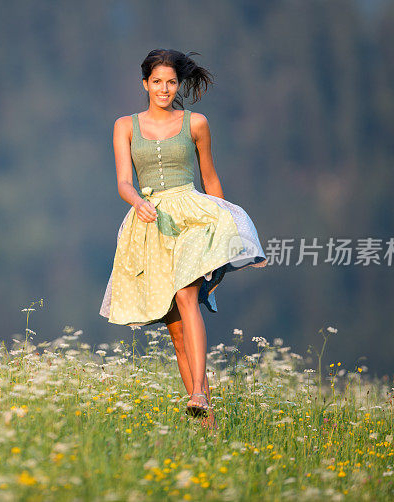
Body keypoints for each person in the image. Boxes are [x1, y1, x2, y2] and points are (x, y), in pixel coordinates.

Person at [99, 49, 267, 429]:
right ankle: (206, 421)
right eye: (156, 81)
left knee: (185, 295)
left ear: (179, 84)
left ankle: (199, 395)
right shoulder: (125, 125)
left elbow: (210, 180)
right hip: (151, 220)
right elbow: (124, 180)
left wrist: (237, 233)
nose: (164, 88)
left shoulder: (197, 123)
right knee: (175, 330)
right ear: (145, 84)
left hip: (193, 215)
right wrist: (137, 201)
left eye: (171, 82)